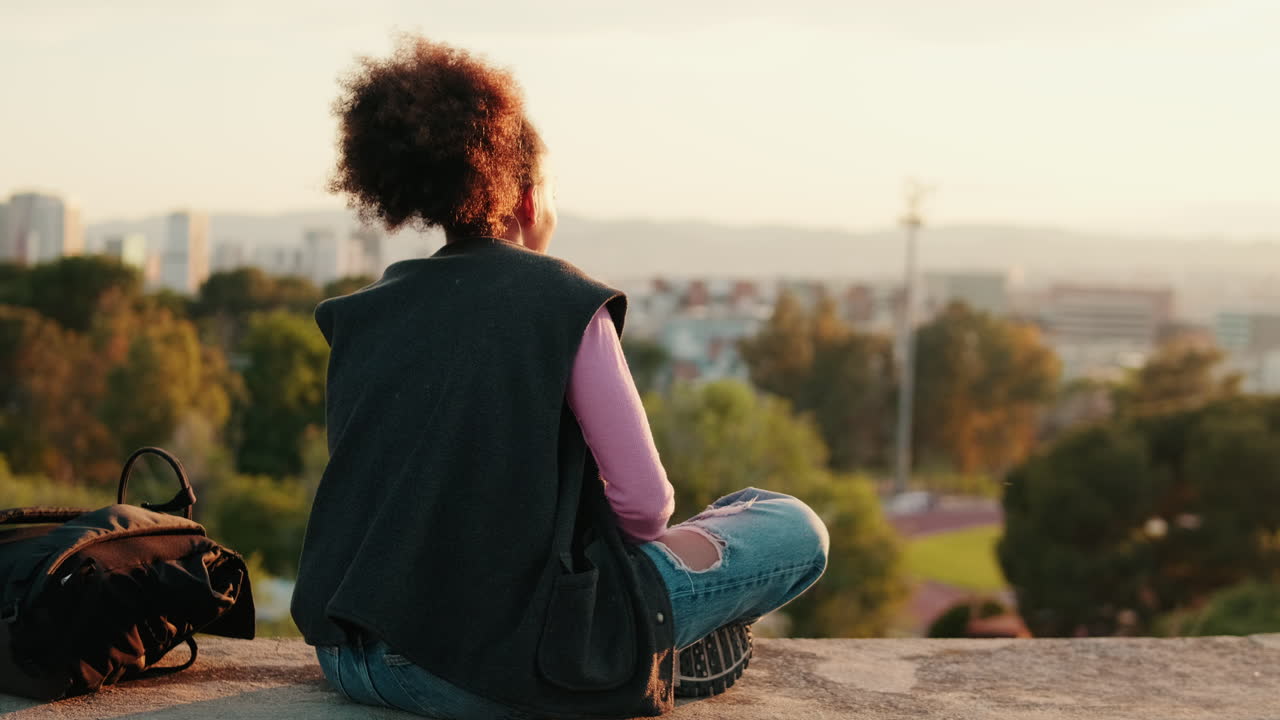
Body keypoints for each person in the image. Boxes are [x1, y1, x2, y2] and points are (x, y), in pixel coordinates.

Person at [290, 36, 829, 720]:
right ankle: (639, 651)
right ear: (526, 195)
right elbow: (645, 507)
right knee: (790, 526)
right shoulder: (562, 300)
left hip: (348, 656)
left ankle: (641, 647)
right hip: (480, 667)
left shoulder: (362, 314)